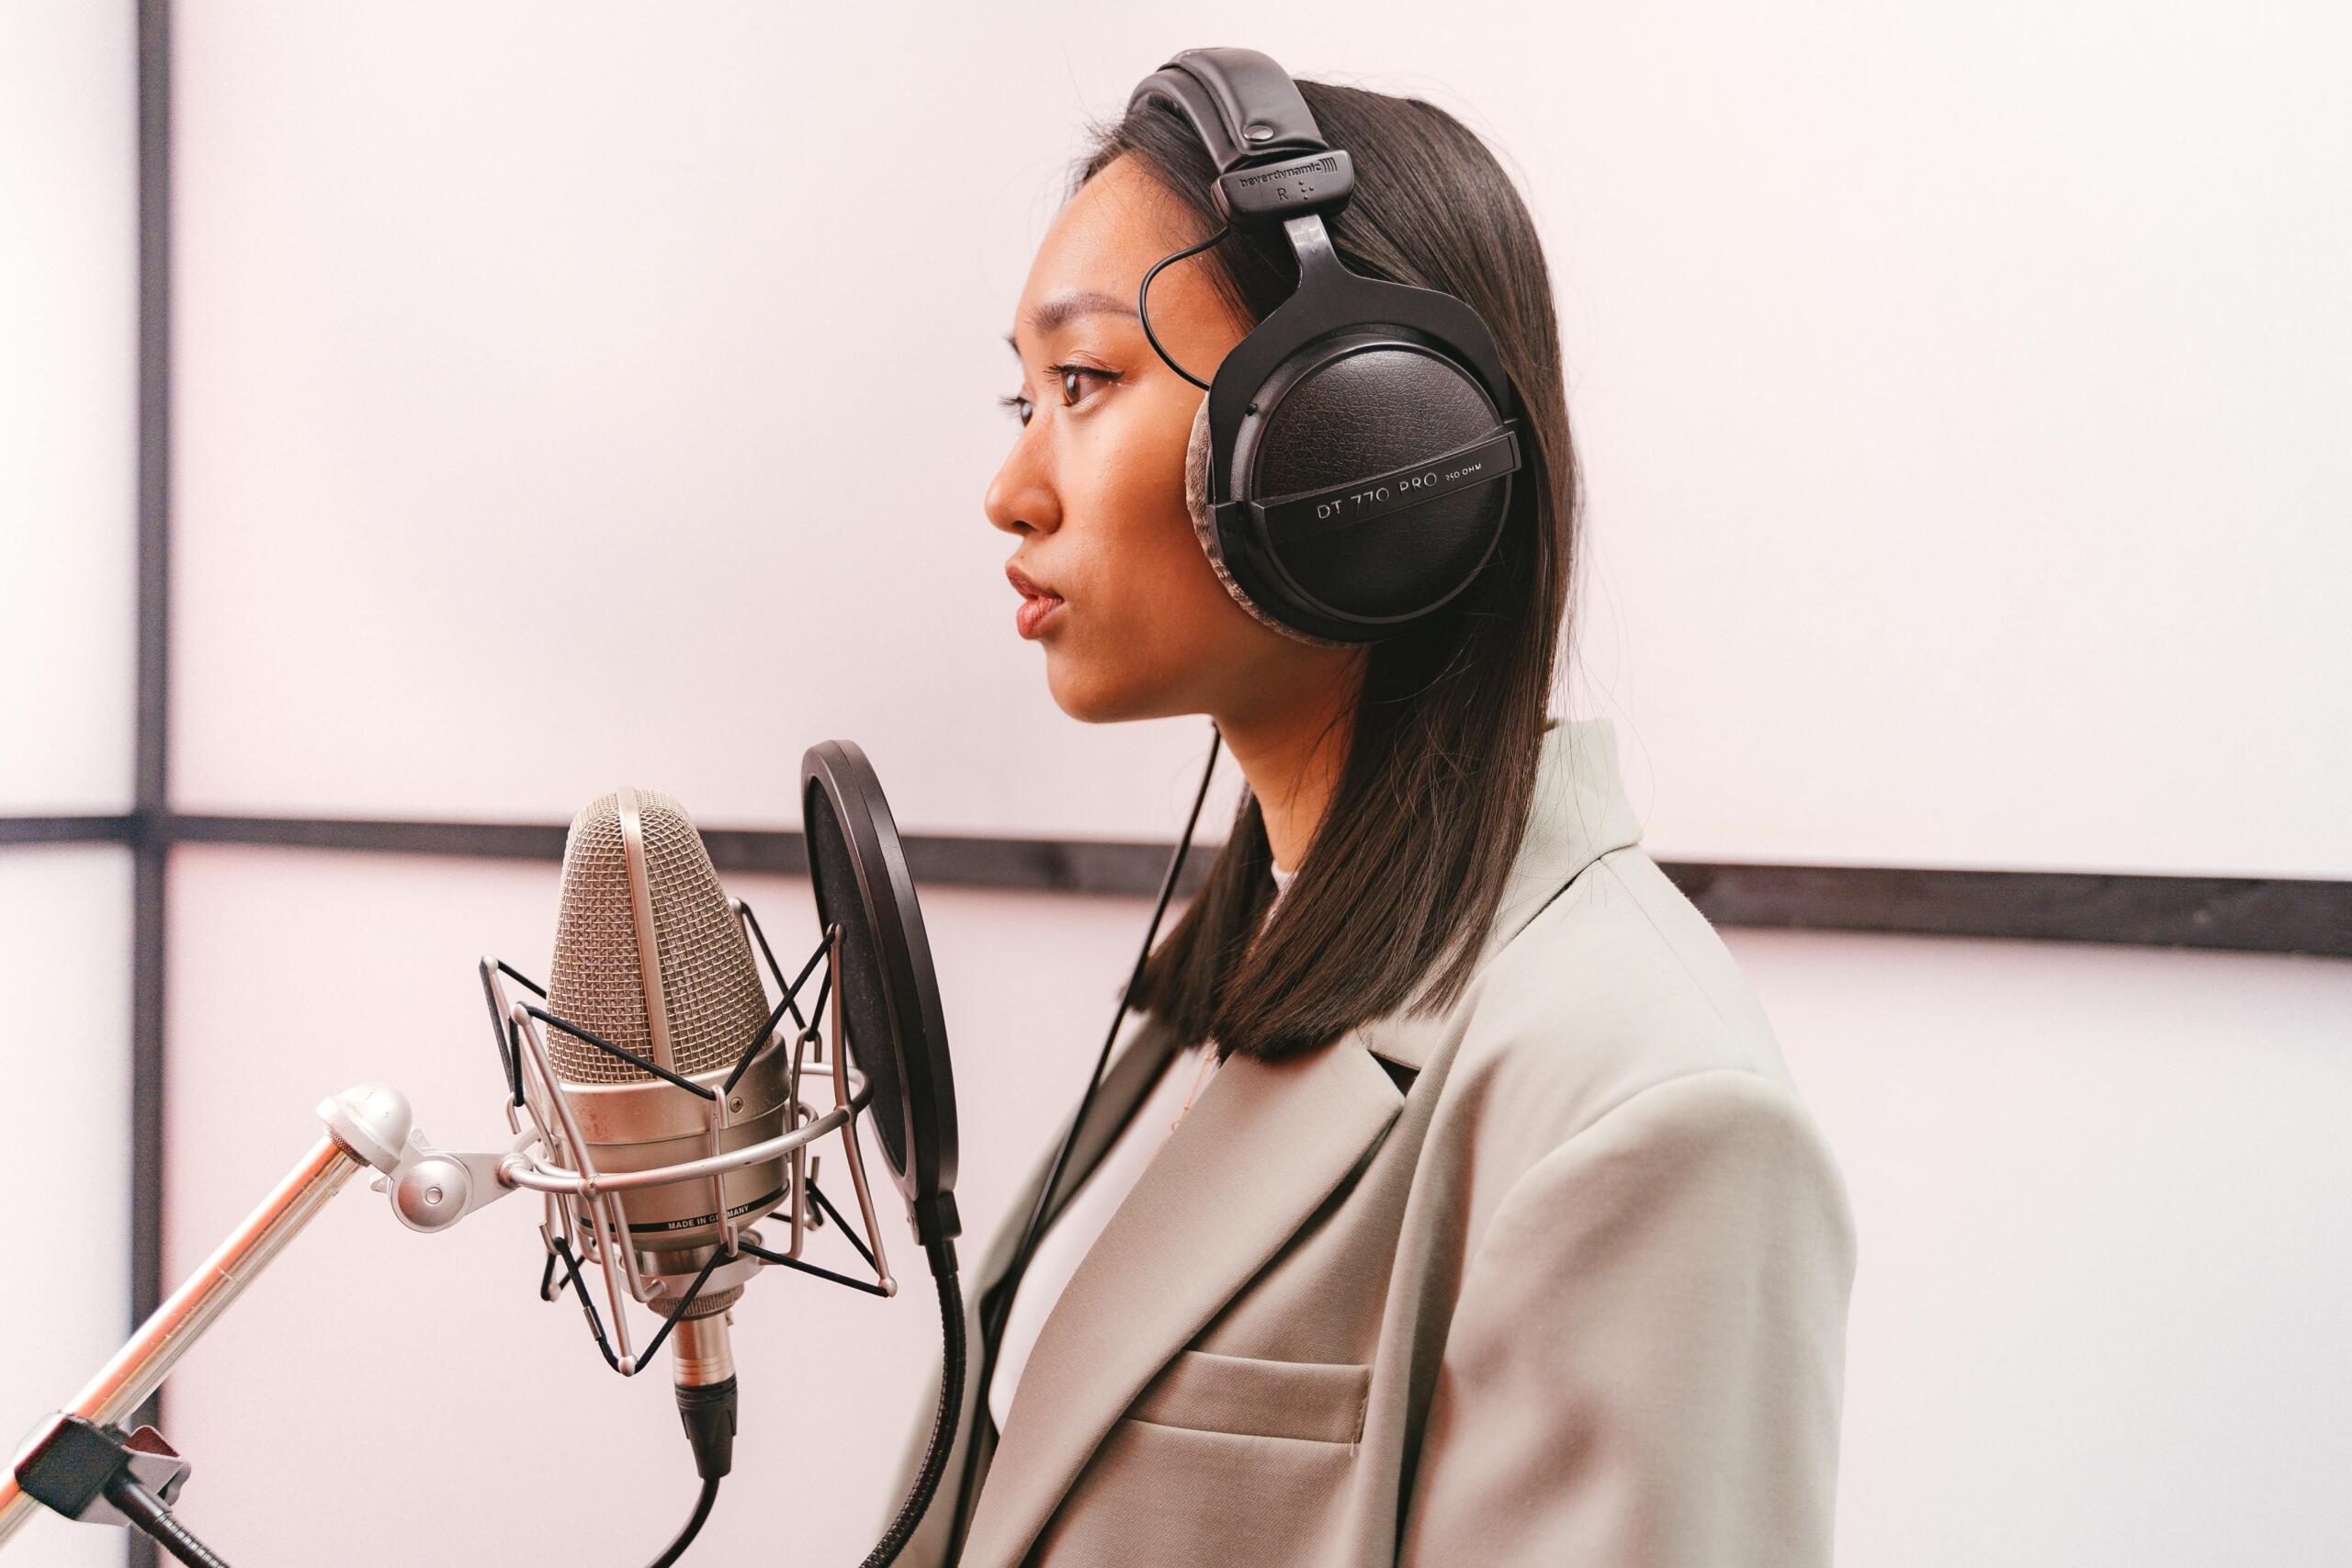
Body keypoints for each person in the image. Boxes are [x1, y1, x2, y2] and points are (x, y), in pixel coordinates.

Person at [887, 57, 1859, 1568]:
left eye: (1082, 387)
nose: (1012, 485)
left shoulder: (1646, 1113)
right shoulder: (1244, 972)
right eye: (1024, 395)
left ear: (1368, 446)